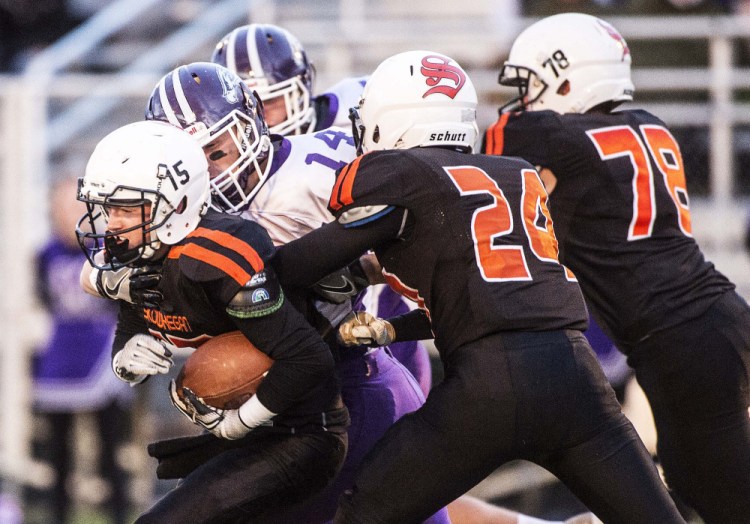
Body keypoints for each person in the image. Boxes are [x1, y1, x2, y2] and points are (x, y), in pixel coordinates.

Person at [271, 49, 685, 524]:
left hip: (488, 388)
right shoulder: (517, 174)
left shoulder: (399, 175)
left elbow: (293, 265)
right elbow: (492, 297)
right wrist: (389, 328)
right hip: (576, 379)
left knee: (361, 513)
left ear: (394, 122)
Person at [142, 60, 450, 524]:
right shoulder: (176, 214)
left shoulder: (315, 173)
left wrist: (364, 269)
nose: (206, 172)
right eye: (188, 160)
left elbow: (429, 234)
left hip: (355, 388)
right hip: (276, 408)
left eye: (216, 152)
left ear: (249, 130)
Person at [482, 13, 750, 524]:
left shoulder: (554, 137)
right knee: (692, 490)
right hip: (718, 318)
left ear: (567, 77)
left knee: (722, 501)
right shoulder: (650, 124)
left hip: (680, 344)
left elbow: (497, 144)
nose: (523, 99)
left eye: (532, 84)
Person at [75, 119, 349, 523]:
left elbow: (308, 358)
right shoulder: (140, 251)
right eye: (108, 209)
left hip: (301, 433)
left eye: (125, 208)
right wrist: (124, 359)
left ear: (176, 203)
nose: (112, 224)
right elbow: (132, 319)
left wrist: (241, 423)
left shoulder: (214, 259)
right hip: (237, 432)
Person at [210, 23, 433, 397]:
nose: (258, 119)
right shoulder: (224, 166)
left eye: (270, 102)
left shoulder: (354, 116)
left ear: (301, 89)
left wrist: (362, 270)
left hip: (382, 321)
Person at [32, 175, 134, 524]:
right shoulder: (45, 255)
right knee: (59, 454)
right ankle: (57, 516)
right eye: (60, 207)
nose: (67, 214)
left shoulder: (107, 252)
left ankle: (119, 514)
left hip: (102, 350)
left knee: (109, 449)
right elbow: (45, 299)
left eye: (74, 206)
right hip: (61, 354)